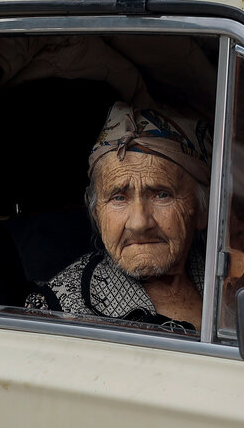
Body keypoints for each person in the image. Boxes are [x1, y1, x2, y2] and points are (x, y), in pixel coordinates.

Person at [26, 102, 212, 332]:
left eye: (162, 195)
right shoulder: (57, 312)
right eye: (118, 198)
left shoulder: (231, 279)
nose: (139, 223)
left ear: (203, 210)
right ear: (97, 214)